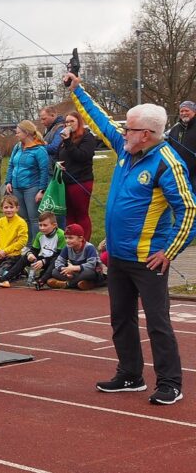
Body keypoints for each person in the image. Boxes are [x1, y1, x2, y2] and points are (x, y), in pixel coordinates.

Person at [66, 71, 193, 405]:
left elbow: (189, 210)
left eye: (130, 128)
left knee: (157, 322)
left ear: (147, 134)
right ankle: (130, 375)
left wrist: (170, 251)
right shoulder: (125, 150)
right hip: (119, 257)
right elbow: (100, 119)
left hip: (148, 258)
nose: (122, 131)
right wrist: (77, 90)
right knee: (120, 318)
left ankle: (170, 383)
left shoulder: (168, 163)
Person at [56, 112, 100, 240]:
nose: (68, 124)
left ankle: (84, 241)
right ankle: (72, 240)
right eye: (67, 122)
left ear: (79, 122)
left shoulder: (87, 137)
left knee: (81, 213)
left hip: (80, 181)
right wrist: (57, 163)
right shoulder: (65, 140)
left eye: (72, 121)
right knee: (69, 214)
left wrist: (68, 141)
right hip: (66, 181)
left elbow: (82, 156)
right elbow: (59, 155)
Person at [0, 211, 62, 289]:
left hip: (55, 261)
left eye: (45, 225)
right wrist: (30, 254)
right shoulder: (40, 235)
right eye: (40, 225)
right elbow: (34, 250)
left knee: (55, 259)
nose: (42, 228)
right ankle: (5, 278)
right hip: (42, 259)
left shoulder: (61, 235)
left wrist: (44, 261)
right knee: (25, 256)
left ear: (54, 225)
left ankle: (42, 280)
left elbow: (60, 256)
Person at [4, 120, 50, 230]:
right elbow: (11, 165)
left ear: (26, 133)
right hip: (16, 188)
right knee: (22, 217)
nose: (16, 134)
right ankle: (26, 244)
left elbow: (45, 170)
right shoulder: (17, 147)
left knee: (34, 218)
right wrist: (8, 181)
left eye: (18, 132)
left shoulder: (39, 150)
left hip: (32, 187)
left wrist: (42, 190)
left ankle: (35, 245)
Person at [47, 225, 103, 290]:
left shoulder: (89, 247)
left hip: (91, 272)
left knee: (88, 273)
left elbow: (91, 265)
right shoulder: (67, 247)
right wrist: (65, 270)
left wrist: (74, 268)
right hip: (74, 273)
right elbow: (58, 261)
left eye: (70, 238)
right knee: (54, 271)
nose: (67, 241)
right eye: (66, 238)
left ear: (80, 238)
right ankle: (84, 283)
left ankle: (67, 284)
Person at [0, 195, 29, 280]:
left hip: (13, 256)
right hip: (0, 255)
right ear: (2, 209)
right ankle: (17, 270)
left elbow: (22, 242)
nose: (9, 210)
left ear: (17, 208)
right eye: (6, 207)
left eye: (11, 207)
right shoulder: (0, 221)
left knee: (0, 276)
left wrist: (5, 251)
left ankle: (18, 271)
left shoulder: (21, 223)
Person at [166, 100, 196, 178]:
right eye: (181, 111)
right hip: (178, 171)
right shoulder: (175, 128)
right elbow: (168, 147)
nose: (184, 113)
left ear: (194, 112)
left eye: (187, 110)